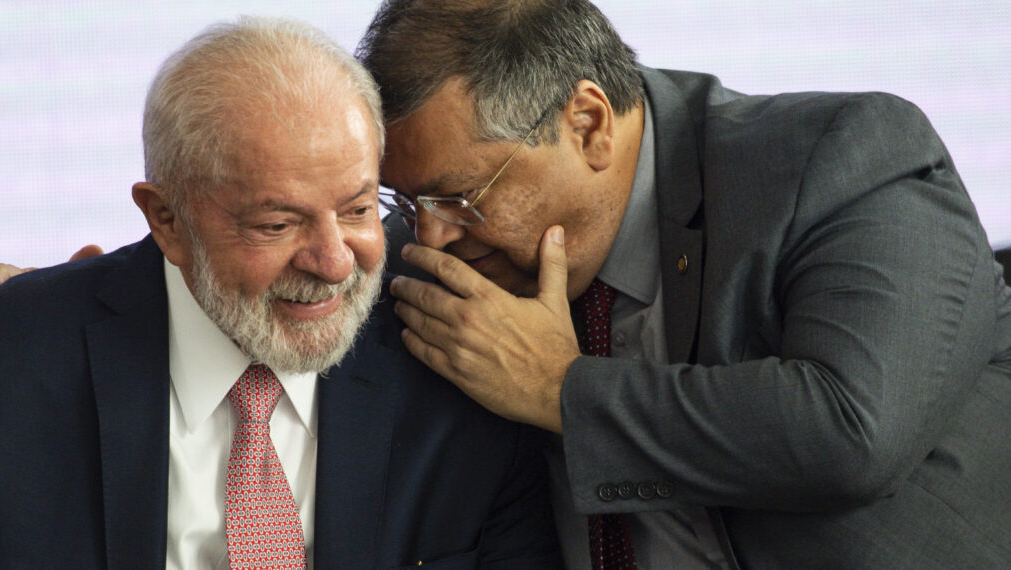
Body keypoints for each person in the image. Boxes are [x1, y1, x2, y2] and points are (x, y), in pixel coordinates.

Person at [0, 17, 562, 569]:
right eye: (278, 222)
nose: (332, 262)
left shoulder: (459, 364)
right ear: (165, 219)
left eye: (356, 209)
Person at [356, 0, 1011, 568]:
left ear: (587, 124)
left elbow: (848, 436)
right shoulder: (436, 270)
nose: (430, 239)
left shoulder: (841, 159)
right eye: (408, 202)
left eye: (461, 197)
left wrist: (560, 391)